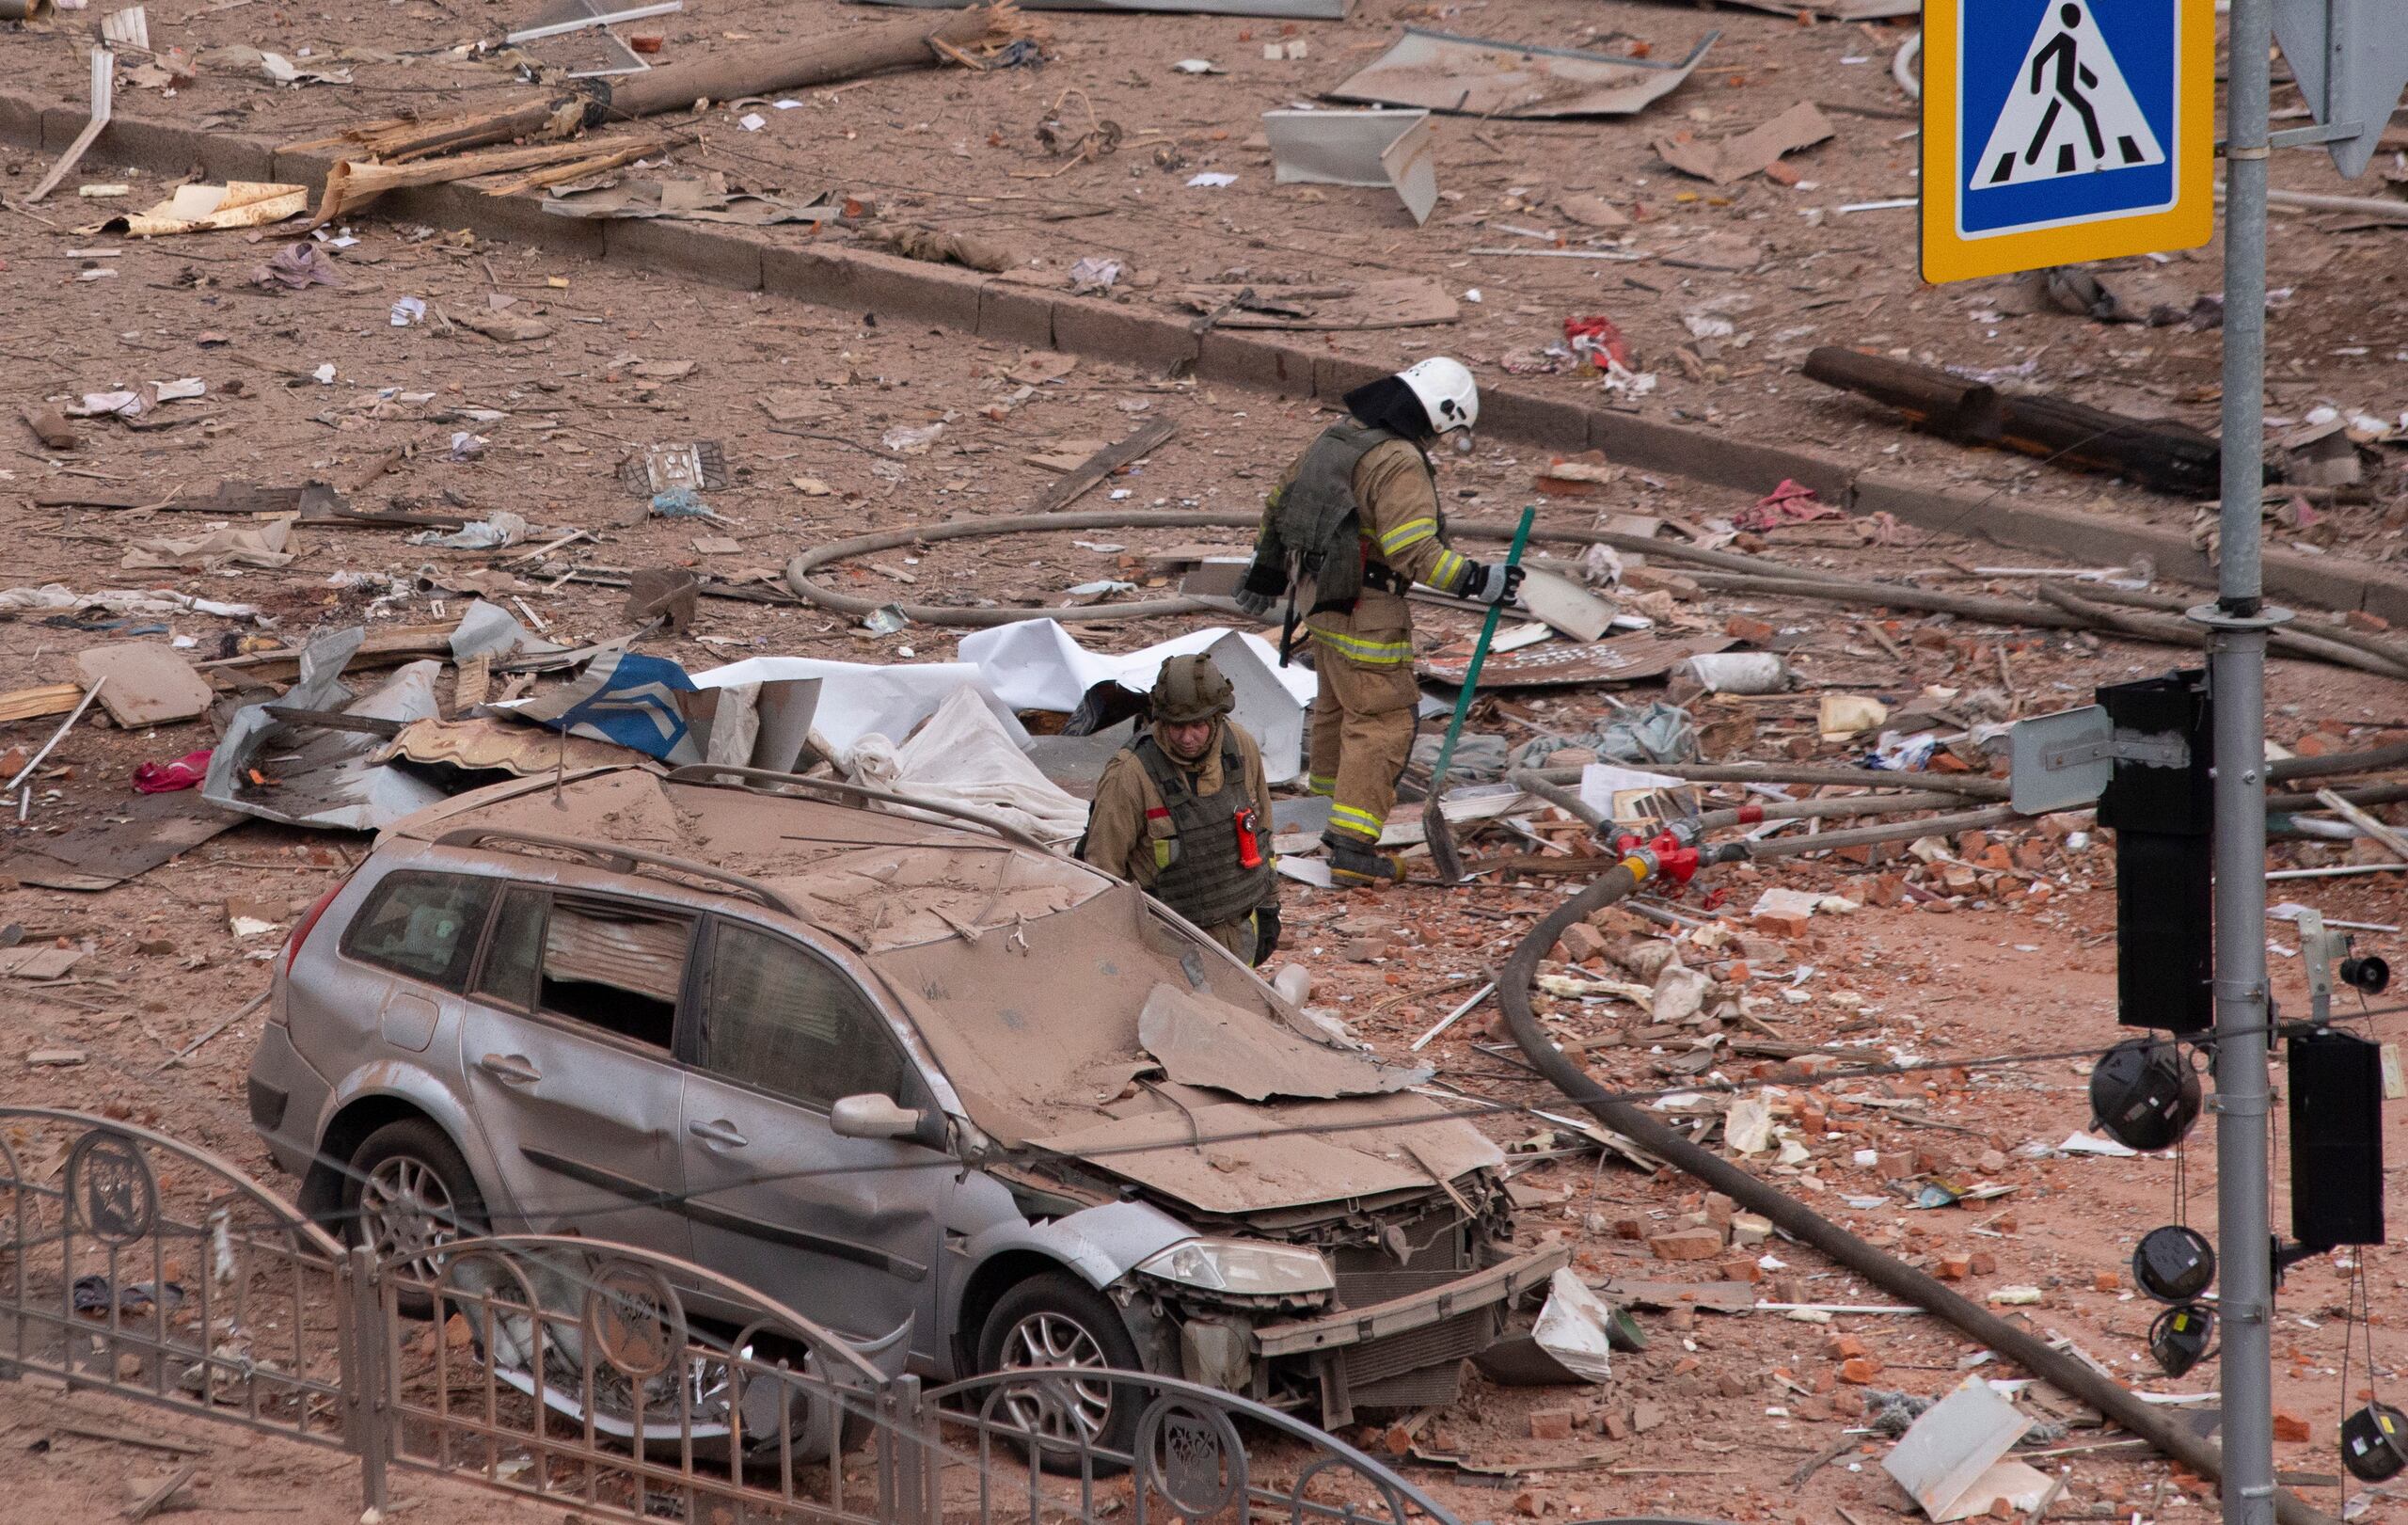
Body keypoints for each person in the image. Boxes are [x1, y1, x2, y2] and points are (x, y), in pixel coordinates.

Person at [1230, 357, 1520, 887]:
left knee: (1339, 707)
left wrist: (1265, 573)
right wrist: (1479, 579)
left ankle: (1323, 811)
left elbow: (1281, 500)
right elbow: (1414, 551)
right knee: (1383, 719)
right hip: (1366, 609)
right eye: (1446, 431)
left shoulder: (1341, 436)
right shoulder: (1399, 461)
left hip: (1319, 598)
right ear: (1440, 412)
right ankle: (1352, 846)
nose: (1439, 442)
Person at [1080, 655, 1281, 965]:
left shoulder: (1241, 747)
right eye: (1176, 726)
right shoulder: (1130, 774)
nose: (1187, 738)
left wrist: (1269, 907)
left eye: (1197, 725)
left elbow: (1262, 831)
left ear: (1216, 718)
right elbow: (1103, 871)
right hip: (1165, 943)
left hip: (1238, 932)